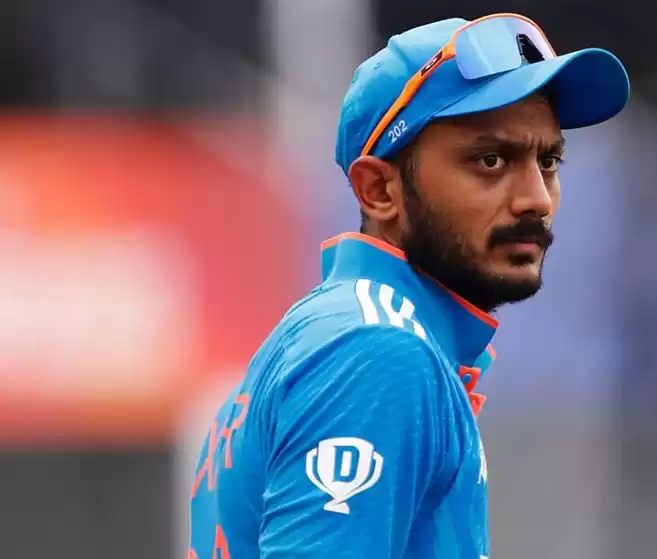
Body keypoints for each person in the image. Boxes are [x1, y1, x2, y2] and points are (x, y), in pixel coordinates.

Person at [188, 13, 629, 559]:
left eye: (549, 161)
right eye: (491, 160)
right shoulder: (375, 350)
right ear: (379, 191)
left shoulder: (346, 331)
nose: (537, 198)